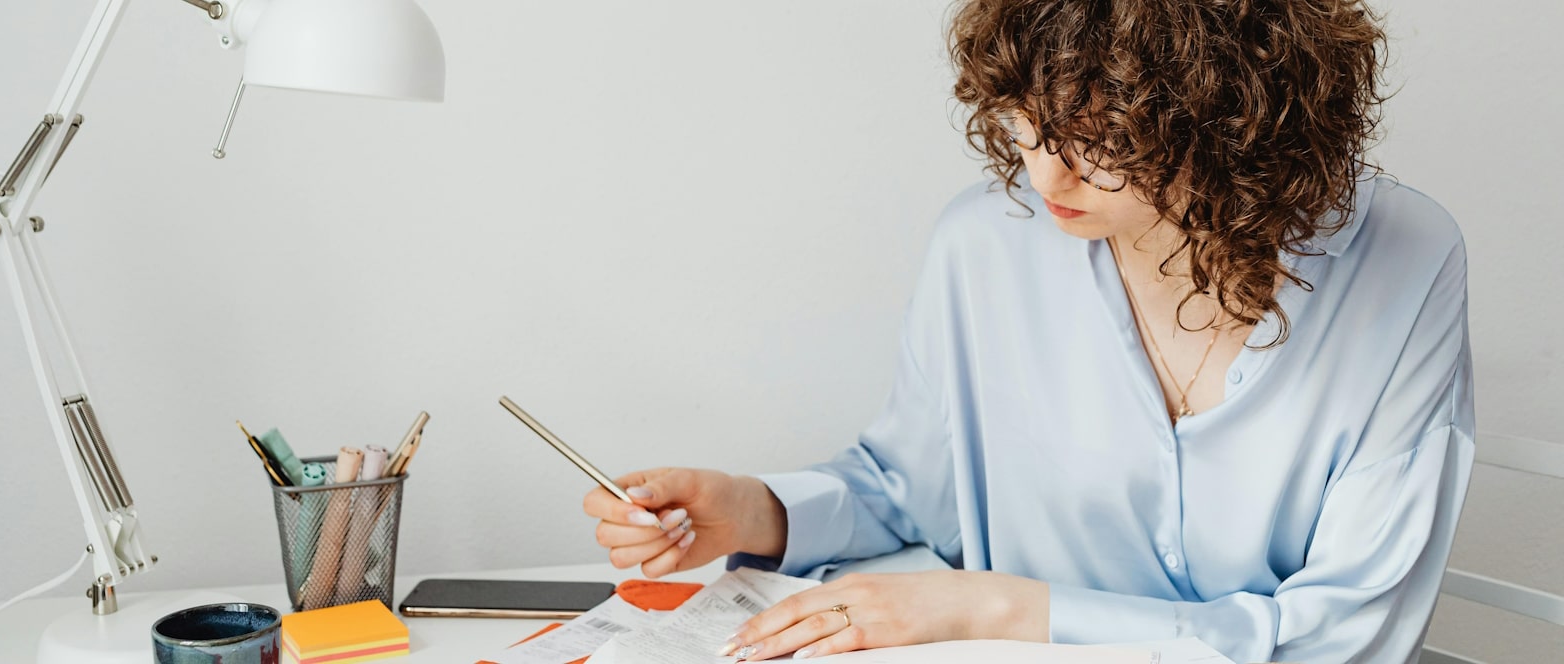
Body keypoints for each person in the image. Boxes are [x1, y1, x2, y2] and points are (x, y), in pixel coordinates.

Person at [583, 1, 1474, 661]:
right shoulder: (985, 245)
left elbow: (1347, 636)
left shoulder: (1405, 262)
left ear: (1229, 114)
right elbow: (912, 488)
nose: (1048, 171)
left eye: (1101, 134)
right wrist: (755, 510)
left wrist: (1003, 610)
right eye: (1024, 120)